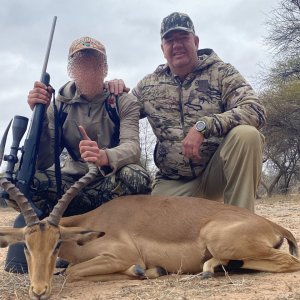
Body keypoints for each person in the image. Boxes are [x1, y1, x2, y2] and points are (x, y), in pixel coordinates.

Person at [5, 36, 151, 273]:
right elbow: (42, 160)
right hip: (72, 183)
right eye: (81, 63)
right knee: (22, 184)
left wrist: (105, 156)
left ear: (104, 67)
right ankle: (53, 245)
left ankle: (120, 242)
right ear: (71, 69)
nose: (88, 69)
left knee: (137, 177)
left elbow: (132, 147)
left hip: (107, 181)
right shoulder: (58, 106)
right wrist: (38, 117)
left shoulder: (123, 101)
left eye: (94, 63)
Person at [130, 12, 266, 212]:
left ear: (195, 41)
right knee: (151, 229)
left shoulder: (222, 72)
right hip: (174, 182)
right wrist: (112, 90)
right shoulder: (148, 85)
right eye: (169, 40)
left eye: (183, 38)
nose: (176, 45)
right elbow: (123, 112)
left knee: (247, 135)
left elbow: (255, 109)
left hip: (216, 174)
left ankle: (241, 223)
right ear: (162, 48)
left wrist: (204, 126)